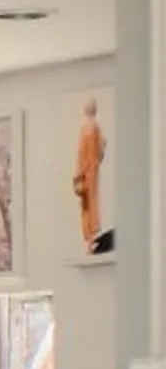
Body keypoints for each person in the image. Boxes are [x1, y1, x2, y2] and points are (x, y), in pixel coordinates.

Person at [77, 97, 111, 256]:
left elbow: (83, 153)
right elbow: (100, 147)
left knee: (88, 206)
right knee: (89, 206)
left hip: (87, 171)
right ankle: (90, 241)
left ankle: (91, 241)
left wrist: (79, 172)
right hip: (89, 171)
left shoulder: (88, 128)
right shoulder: (92, 128)